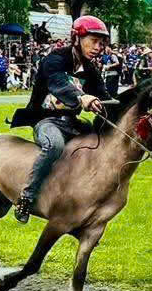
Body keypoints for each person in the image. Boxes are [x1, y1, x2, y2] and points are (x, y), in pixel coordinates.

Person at [10, 16, 110, 223]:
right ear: (76, 38)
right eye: (93, 41)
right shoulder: (54, 60)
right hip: (45, 120)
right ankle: (26, 198)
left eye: (102, 43)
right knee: (54, 145)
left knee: (98, 141)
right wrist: (82, 97)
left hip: (72, 123)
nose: (98, 47)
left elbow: (106, 97)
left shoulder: (91, 70)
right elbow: (58, 83)